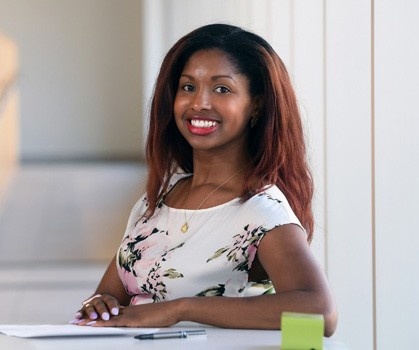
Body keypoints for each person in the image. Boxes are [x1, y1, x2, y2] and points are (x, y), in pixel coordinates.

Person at [71, 23, 337, 337]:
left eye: (221, 89)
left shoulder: (261, 209)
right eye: (188, 87)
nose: (199, 103)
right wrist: (100, 303)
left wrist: (180, 309)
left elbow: (320, 311)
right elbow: (113, 294)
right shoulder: (158, 198)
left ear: (257, 104)